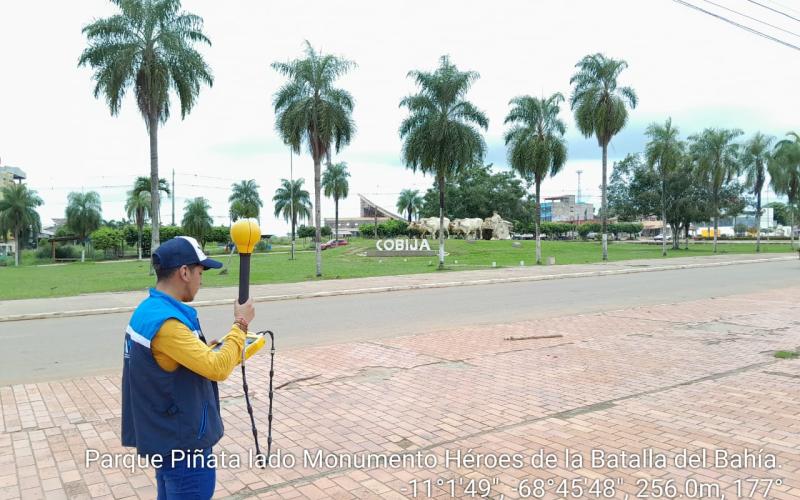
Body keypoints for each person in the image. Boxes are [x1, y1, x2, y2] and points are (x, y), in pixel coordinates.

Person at [120, 236, 255, 499]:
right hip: (185, 447)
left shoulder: (149, 309)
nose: (201, 279)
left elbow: (174, 360)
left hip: (167, 438)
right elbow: (217, 368)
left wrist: (213, 348)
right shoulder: (167, 323)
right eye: (200, 271)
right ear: (184, 272)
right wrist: (240, 325)